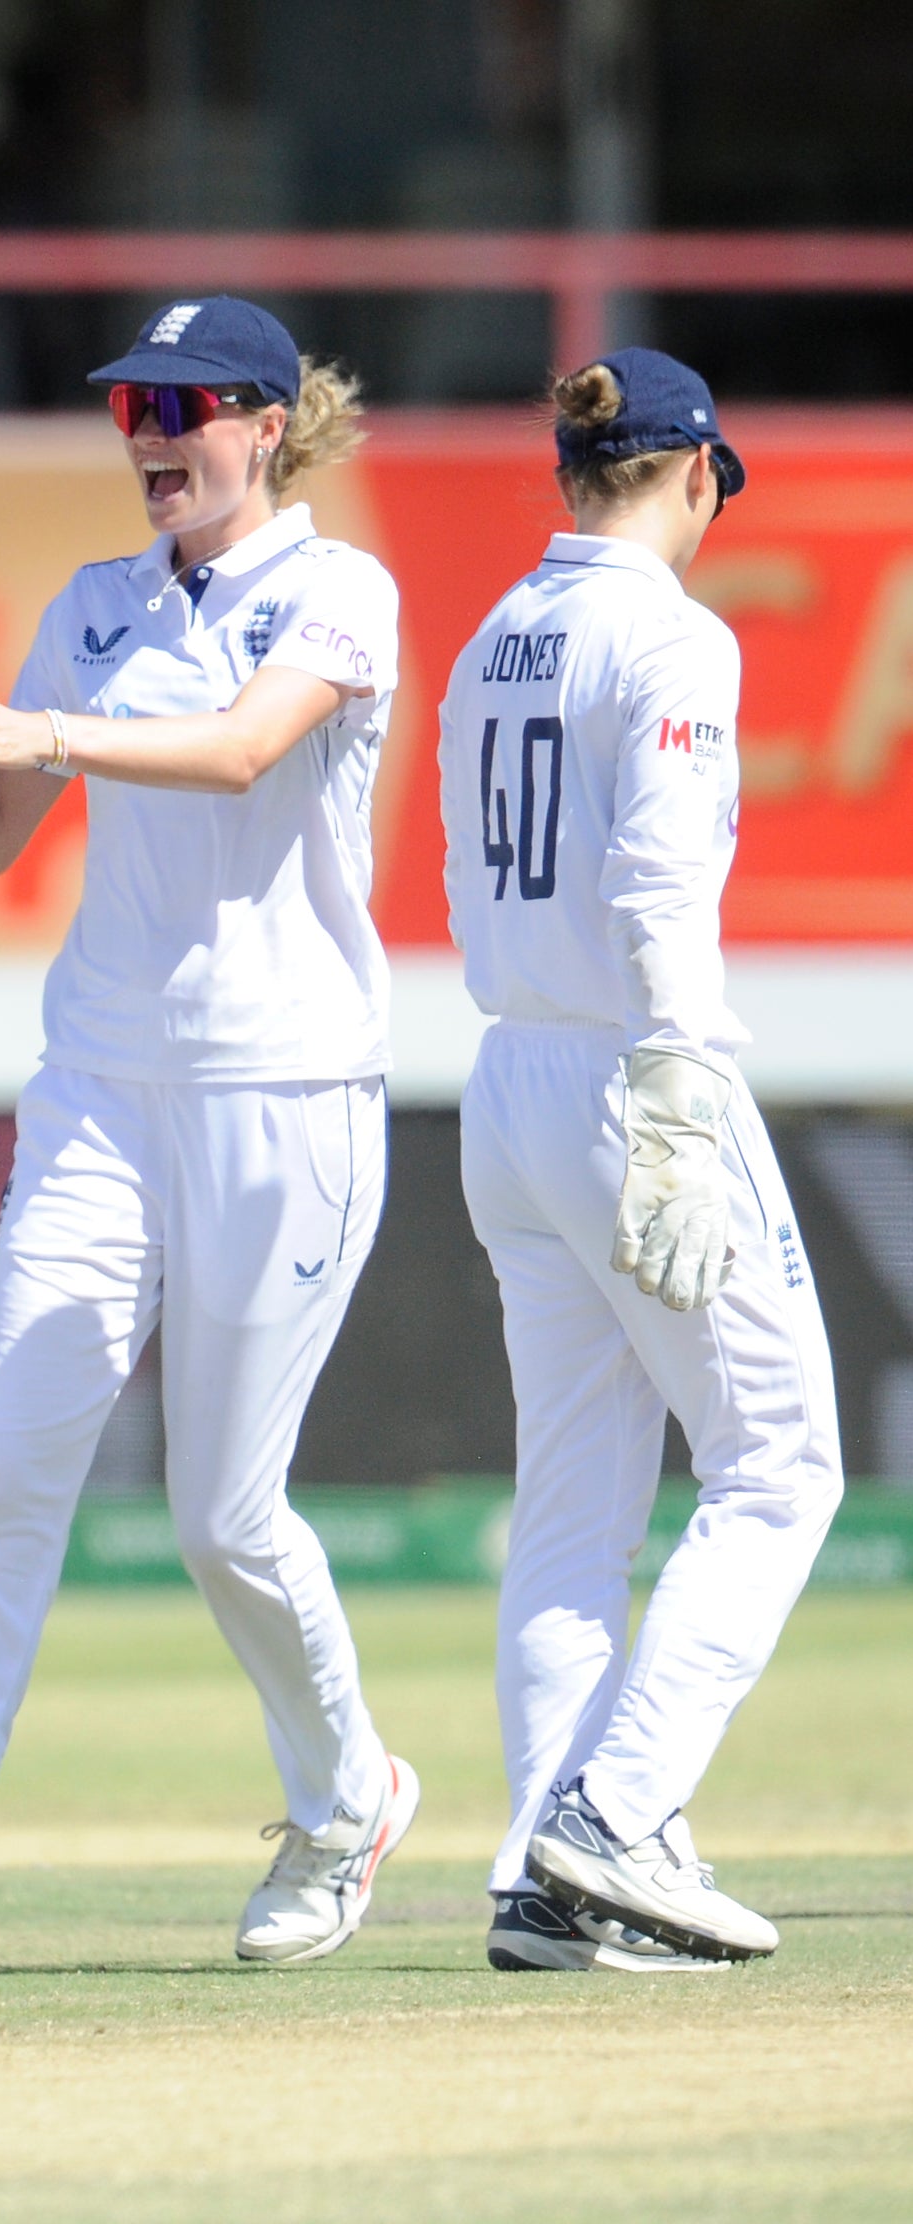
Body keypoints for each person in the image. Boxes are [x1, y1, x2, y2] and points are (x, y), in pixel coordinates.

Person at [0, 296, 415, 1972]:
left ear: (268, 424)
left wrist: (51, 733)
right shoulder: (93, 605)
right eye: (132, 404)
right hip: (99, 1088)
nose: (150, 431)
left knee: (226, 1515)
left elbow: (235, 755)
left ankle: (345, 1796)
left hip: (285, 1089)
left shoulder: (335, 586)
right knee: (9, 1464)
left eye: (187, 404)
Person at [440, 351, 840, 1972]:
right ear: (694, 478)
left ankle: (552, 1867)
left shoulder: (489, 633)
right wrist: (678, 1094)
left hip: (507, 1081)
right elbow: (661, 882)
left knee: (569, 1514)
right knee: (777, 1464)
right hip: (628, 1072)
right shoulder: (671, 634)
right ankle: (612, 1818)